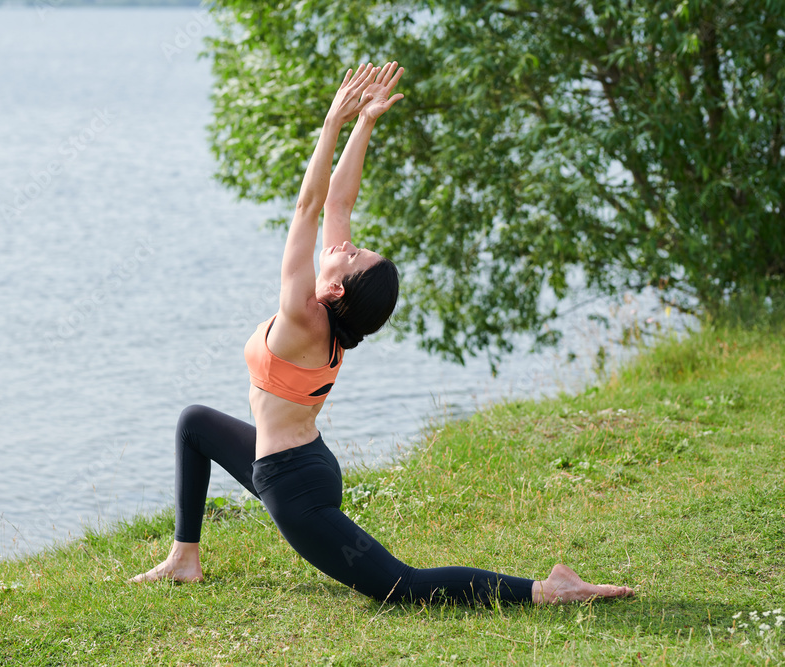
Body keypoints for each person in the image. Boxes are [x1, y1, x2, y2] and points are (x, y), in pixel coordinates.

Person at [131, 62, 634, 605]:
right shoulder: (328, 313)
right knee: (195, 424)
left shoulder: (303, 315)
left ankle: (546, 590)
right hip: (300, 460)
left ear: (338, 290)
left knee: (403, 587)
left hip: (293, 487)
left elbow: (307, 208)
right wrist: (365, 122)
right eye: (353, 246)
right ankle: (184, 556)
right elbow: (337, 203)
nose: (345, 244)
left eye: (351, 254)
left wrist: (331, 124)